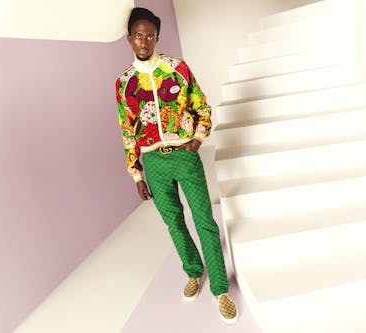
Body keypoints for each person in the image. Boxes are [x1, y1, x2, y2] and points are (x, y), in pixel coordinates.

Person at [115, 7, 238, 324]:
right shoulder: (124, 84)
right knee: (174, 222)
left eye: (150, 35)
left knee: (204, 219)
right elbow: (127, 130)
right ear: (130, 39)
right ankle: (194, 272)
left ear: (157, 37)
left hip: (184, 155)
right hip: (153, 162)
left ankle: (221, 289)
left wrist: (197, 139)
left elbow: (201, 105)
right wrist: (136, 173)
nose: (144, 41)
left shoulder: (176, 69)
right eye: (139, 36)